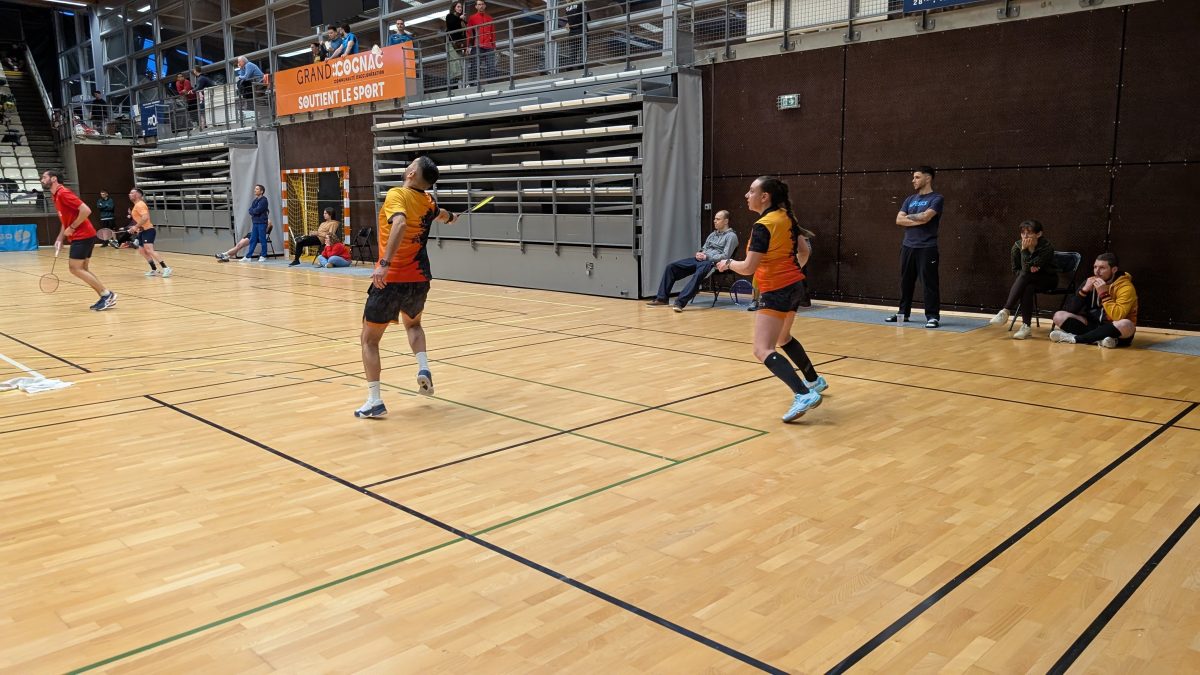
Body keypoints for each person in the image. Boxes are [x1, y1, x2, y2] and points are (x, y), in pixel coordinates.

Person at [715, 176, 827, 422]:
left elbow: (748, 267)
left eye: (751, 191)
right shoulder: (787, 217)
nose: (747, 195)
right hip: (796, 286)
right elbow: (804, 251)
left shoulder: (763, 226)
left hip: (776, 290)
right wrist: (790, 271)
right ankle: (814, 380)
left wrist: (728, 263)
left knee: (762, 349)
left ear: (764, 197)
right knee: (783, 338)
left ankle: (803, 394)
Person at [356, 156, 459, 418]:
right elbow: (441, 214)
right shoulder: (428, 201)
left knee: (369, 340)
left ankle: (374, 401)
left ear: (411, 173)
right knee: (413, 325)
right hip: (419, 278)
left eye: (410, 164)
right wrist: (451, 218)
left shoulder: (397, 194)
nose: (407, 167)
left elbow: (400, 223)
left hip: (391, 279)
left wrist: (384, 264)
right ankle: (423, 367)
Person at [43, 170, 116, 311]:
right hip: (84, 235)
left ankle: (107, 295)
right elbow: (65, 219)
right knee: (83, 269)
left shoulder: (63, 193)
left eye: (44, 177)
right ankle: (105, 296)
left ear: (53, 179)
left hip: (82, 235)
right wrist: (60, 237)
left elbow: (86, 210)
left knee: (75, 268)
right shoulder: (55, 195)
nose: (42, 180)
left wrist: (72, 227)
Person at [645, 209, 738, 311]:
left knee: (698, 274)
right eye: (715, 219)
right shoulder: (712, 235)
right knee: (671, 267)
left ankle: (680, 303)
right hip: (701, 259)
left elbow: (725, 256)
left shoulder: (731, 236)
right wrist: (700, 253)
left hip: (713, 263)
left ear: (726, 221)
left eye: (718, 219)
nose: (714, 221)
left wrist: (707, 257)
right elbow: (704, 248)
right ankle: (662, 298)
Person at [885, 166, 944, 328]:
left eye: (917, 177)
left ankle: (932, 316)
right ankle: (903, 314)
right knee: (906, 282)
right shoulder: (910, 199)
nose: (913, 180)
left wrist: (912, 218)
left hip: (927, 247)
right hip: (908, 246)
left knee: (929, 283)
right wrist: (919, 218)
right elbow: (899, 220)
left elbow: (926, 217)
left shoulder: (937, 198)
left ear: (928, 178)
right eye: (913, 177)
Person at [1049, 253, 1138, 348]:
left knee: (1126, 324)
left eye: (1102, 268)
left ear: (1114, 270)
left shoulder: (1126, 287)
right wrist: (1084, 291)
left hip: (1115, 329)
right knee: (1059, 316)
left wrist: (1104, 294)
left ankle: (1076, 339)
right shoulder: (1090, 281)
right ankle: (1100, 340)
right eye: (1095, 267)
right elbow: (1069, 310)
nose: (1097, 271)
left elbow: (1117, 316)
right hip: (1093, 325)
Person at [988, 219, 1056, 339]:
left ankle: (1006, 310)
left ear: (1039, 234)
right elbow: (1016, 270)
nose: (1025, 236)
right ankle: (1026, 327)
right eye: (1023, 233)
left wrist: (1025, 251)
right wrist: (1029, 268)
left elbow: (1031, 267)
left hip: (1047, 279)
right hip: (1028, 280)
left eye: (1029, 233)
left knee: (1026, 275)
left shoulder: (1046, 247)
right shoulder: (1017, 246)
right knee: (1027, 286)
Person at [129, 187, 172, 278]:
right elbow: (140, 219)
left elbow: (145, 218)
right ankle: (154, 269)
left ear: (138, 195)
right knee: (142, 250)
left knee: (149, 250)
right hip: (142, 231)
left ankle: (166, 268)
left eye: (132, 193)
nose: (130, 194)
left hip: (148, 230)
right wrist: (135, 228)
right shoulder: (136, 205)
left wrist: (135, 226)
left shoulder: (140, 205)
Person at [466, 0, 498, 83]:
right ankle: (472, 84)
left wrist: (494, 46)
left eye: (482, 4)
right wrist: (468, 46)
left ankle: (490, 84)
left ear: (485, 6)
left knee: (491, 66)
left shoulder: (490, 18)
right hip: (477, 45)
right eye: (479, 4)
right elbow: (469, 32)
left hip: (488, 46)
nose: (481, 6)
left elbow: (493, 33)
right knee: (475, 65)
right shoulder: (472, 18)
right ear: (476, 6)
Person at [244, 184, 270, 262]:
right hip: (255, 222)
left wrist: (253, 211)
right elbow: (250, 210)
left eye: (257, 189)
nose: (255, 190)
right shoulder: (255, 201)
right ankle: (248, 256)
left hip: (262, 223)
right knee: (253, 239)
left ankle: (263, 255)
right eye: (255, 189)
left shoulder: (264, 200)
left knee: (262, 239)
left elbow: (258, 210)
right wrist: (253, 211)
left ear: (261, 191)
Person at [444, 2, 466, 86]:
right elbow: (451, 25)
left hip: (459, 43)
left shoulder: (462, 20)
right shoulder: (449, 16)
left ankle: (458, 82)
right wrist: (459, 18)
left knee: (459, 61)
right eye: (458, 7)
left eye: (461, 7)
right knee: (455, 59)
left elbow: (465, 31)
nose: (460, 8)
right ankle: (456, 79)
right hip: (451, 42)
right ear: (454, 8)